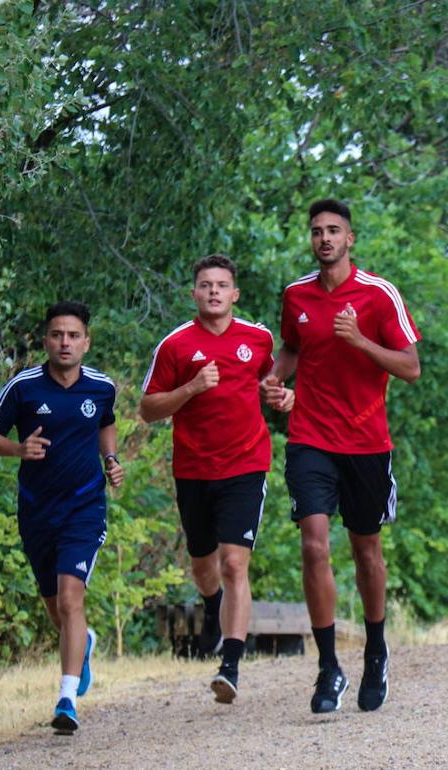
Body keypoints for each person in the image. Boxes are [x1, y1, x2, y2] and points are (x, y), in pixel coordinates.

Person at [262, 198, 420, 713]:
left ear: (350, 238)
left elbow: (411, 367)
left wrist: (360, 342)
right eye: (316, 231)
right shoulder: (296, 295)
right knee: (313, 545)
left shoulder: (378, 295)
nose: (324, 238)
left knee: (366, 552)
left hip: (367, 443)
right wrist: (275, 380)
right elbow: (291, 348)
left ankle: (376, 651)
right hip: (310, 436)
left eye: (334, 230)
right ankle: (329, 667)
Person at [0, 301, 124, 734]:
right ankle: (85, 643)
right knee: (53, 605)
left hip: (84, 507)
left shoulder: (101, 387)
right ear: (45, 341)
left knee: (69, 599)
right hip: (37, 509)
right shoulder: (24, 387)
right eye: (57, 335)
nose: (65, 343)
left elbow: (107, 423)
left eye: (73, 335)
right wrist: (19, 450)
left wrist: (112, 459)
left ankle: (66, 699)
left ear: (86, 341)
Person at [141, 255, 277, 704]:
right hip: (194, 468)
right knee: (203, 567)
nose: (214, 291)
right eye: (206, 285)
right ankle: (214, 607)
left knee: (235, 563)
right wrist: (191, 389)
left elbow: (269, 381)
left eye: (222, 285)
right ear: (194, 293)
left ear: (235, 293)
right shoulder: (176, 346)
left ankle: (231, 665)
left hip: (246, 464)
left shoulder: (258, 339)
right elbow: (148, 408)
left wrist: (281, 394)